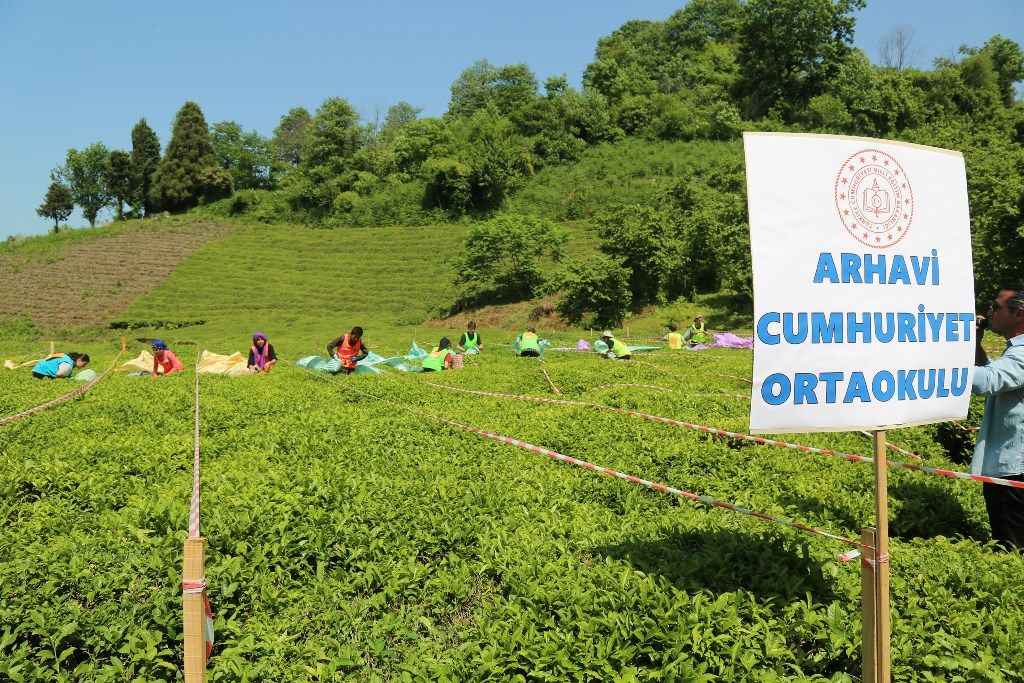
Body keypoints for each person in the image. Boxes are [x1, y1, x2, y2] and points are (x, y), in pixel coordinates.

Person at [973, 287, 1024, 550]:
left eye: (996, 307)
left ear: (1019, 313)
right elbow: (992, 372)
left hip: (1014, 468)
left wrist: (935, 369)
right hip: (1010, 464)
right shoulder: (1014, 351)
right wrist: (975, 343)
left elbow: (987, 381)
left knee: (1011, 547)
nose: (989, 312)